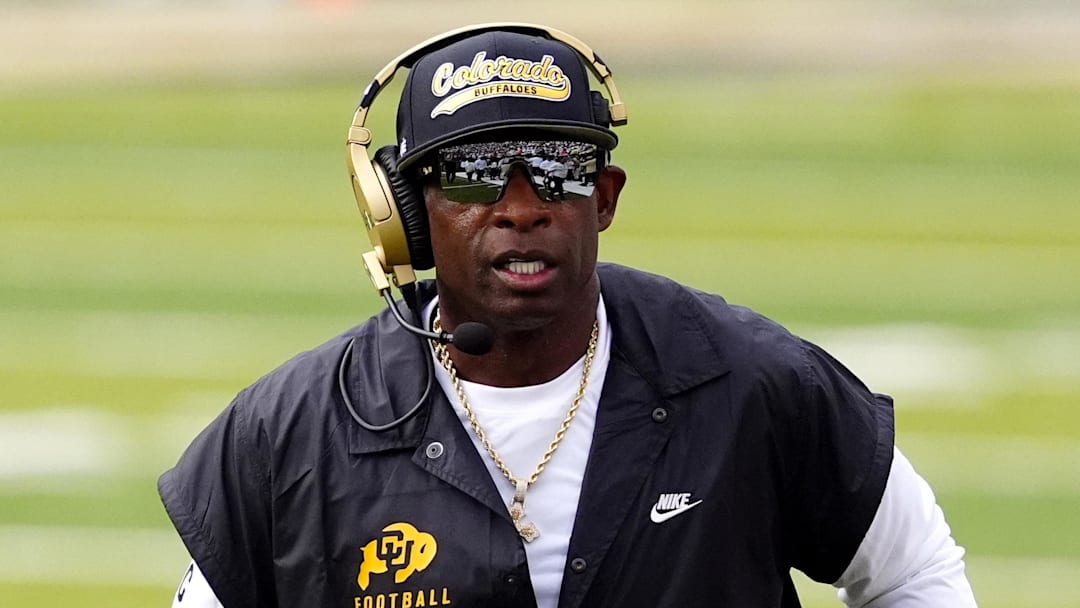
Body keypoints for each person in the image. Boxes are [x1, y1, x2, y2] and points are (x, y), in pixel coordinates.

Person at [159, 24, 978, 608]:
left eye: (558, 167)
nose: (521, 207)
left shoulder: (749, 380)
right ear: (408, 216)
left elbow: (913, 572)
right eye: (477, 173)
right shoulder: (292, 431)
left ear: (606, 198)